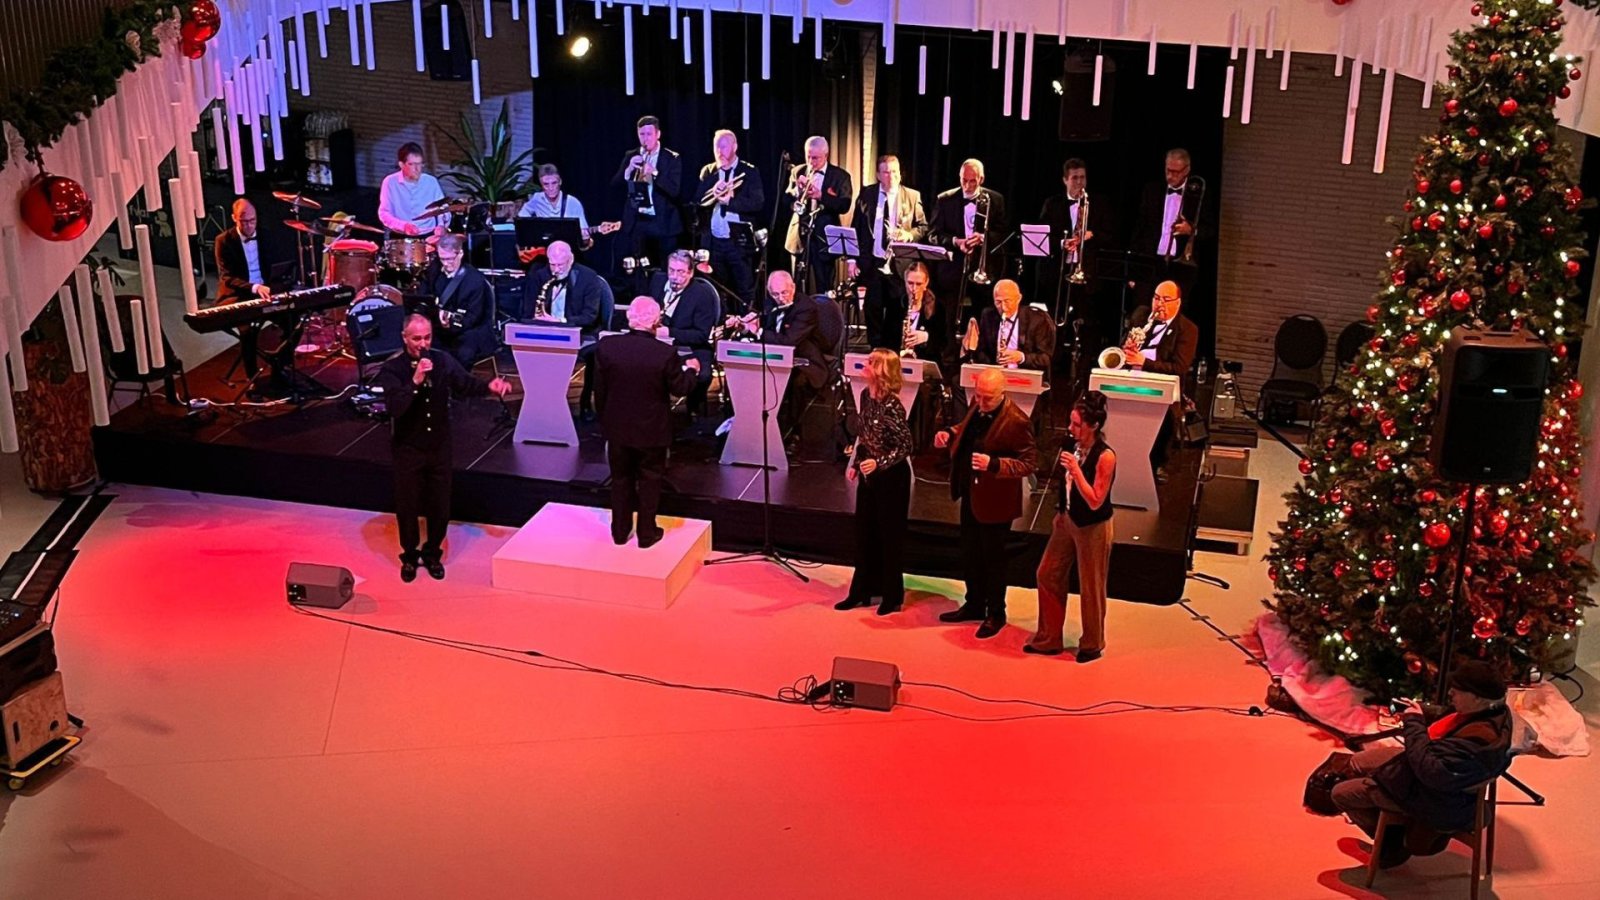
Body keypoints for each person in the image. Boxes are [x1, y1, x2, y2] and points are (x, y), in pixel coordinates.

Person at [1330, 661, 1514, 869]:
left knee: (1340, 793)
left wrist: (1414, 723)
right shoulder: (1492, 711)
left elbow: (1429, 771)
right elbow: (1450, 719)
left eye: (1458, 690)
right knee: (1357, 762)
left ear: (1477, 697)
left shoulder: (1475, 742)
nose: (1450, 693)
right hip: (1438, 776)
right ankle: (1393, 829)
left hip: (1435, 797)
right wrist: (1419, 712)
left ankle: (1392, 846)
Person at [376, 315, 512, 581]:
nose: (423, 343)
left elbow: (465, 383)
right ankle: (410, 555)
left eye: (427, 337)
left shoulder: (442, 360)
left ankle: (432, 553)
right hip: (409, 447)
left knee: (439, 504)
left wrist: (489, 387)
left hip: (438, 445)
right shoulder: (392, 369)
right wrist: (415, 381)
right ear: (405, 338)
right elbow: (395, 408)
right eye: (417, 338)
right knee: (408, 504)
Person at [933, 367, 1037, 639]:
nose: (980, 402)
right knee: (970, 552)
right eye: (978, 395)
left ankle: (996, 613)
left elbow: (1028, 464)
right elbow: (965, 429)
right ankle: (974, 603)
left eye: (987, 398)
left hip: (996, 501)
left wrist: (994, 464)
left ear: (1003, 394)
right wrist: (950, 434)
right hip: (972, 491)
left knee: (993, 559)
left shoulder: (1017, 421)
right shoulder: (977, 404)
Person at [594, 298, 702, 548]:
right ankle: (646, 533)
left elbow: (600, 390)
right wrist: (692, 370)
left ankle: (619, 532)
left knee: (620, 479)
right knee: (650, 480)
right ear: (656, 321)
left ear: (629, 317)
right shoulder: (664, 353)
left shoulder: (607, 347)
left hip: (617, 428)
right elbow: (680, 389)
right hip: (651, 431)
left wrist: (605, 420)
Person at [1028, 390, 1116, 661]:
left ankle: (1092, 644)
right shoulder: (1071, 444)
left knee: (1091, 585)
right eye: (1071, 422)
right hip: (1068, 519)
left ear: (1094, 425)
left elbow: (1095, 501)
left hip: (1093, 525)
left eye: (1077, 424)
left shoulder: (1105, 457)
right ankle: (1049, 638)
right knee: (1047, 573)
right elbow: (1063, 484)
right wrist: (1061, 511)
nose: (1070, 428)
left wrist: (1077, 471)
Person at [836, 349, 916, 616]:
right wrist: (857, 464)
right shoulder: (865, 396)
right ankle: (861, 590)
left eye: (871, 362)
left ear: (882, 370)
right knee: (864, 533)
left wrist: (878, 463)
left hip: (892, 478)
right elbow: (865, 436)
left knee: (889, 536)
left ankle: (891, 596)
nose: (865, 364)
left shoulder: (893, 406)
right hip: (870, 475)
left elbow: (906, 445)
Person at [524, 240, 614, 419]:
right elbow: (527, 311)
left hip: (581, 331)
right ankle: (540, 402)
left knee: (593, 354)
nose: (556, 270)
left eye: (560, 265)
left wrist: (560, 321)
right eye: (552, 264)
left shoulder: (589, 277)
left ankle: (585, 402)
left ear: (571, 260)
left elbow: (590, 316)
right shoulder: (539, 276)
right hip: (547, 332)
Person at [1122, 279, 1197, 482]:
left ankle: (1156, 462)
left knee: (1165, 418)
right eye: (1156, 298)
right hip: (1131, 378)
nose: (1159, 304)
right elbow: (1122, 346)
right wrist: (1127, 349)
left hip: (1162, 387)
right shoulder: (1141, 315)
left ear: (1177, 302)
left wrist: (1144, 362)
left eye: (1166, 299)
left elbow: (1179, 368)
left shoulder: (1187, 329)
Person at [928, 158, 1008, 324]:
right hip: (953, 268)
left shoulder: (995, 199)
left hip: (983, 269)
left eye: (972, 181)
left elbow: (1002, 234)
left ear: (981, 179)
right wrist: (956, 241)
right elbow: (933, 234)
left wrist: (983, 238)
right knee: (950, 318)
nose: (967, 186)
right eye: (964, 180)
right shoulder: (944, 199)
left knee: (983, 317)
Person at [694, 129, 766, 311]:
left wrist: (730, 202)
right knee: (717, 288)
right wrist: (712, 191)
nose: (719, 151)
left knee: (744, 289)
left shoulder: (749, 171)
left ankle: (746, 323)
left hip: (738, 242)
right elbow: (698, 201)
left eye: (723, 146)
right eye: (716, 147)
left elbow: (757, 203)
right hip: (714, 242)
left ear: (734, 147)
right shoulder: (709, 171)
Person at [612, 115, 685, 274]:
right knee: (637, 270)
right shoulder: (631, 155)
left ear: (658, 134)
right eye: (642, 134)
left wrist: (655, 173)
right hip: (638, 222)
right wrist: (628, 170)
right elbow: (615, 186)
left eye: (649, 134)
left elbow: (674, 191)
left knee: (666, 270)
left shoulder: (671, 158)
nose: (645, 139)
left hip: (663, 224)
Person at [1037, 158, 1102, 336]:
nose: (1080, 182)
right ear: (1065, 180)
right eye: (1075, 178)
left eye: (1082, 177)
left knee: (1087, 323)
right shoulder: (1052, 204)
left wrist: (1090, 234)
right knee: (1056, 321)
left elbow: (1109, 235)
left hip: (1086, 273)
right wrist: (1062, 243)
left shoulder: (1097, 204)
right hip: (1059, 271)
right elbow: (1043, 234)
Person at [1130, 148, 1204, 302]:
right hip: (1151, 261)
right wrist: (1133, 269)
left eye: (1176, 172)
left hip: (1181, 266)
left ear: (1187, 170)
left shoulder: (1197, 195)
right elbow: (1139, 229)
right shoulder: (1151, 190)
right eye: (1168, 170)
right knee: (1143, 307)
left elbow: (1209, 230)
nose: (1170, 176)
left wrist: (1191, 230)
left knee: (1174, 310)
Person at [783, 135, 854, 295]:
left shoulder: (840, 176)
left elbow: (844, 205)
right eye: (808, 156)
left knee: (824, 288)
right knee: (797, 287)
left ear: (826, 155)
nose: (811, 162)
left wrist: (821, 195)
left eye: (815, 158)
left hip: (824, 240)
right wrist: (797, 192)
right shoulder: (797, 171)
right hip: (799, 237)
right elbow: (786, 200)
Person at [212, 199, 274, 379]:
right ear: (234, 218)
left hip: (265, 291)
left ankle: (280, 364)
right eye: (244, 221)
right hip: (239, 294)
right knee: (248, 331)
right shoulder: (223, 241)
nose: (249, 225)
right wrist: (254, 287)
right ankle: (252, 377)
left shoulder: (266, 236)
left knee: (294, 321)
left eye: (252, 220)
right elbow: (227, 277)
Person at [650, 249, 719, 409]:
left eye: (680, 272)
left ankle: (694, 411)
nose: (674, 277)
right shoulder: (657, 281)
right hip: (656, 343)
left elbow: (701, 335)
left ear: (690, 273)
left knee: (703, 375)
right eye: (671, 270)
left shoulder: (702, 294)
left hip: (690, 346)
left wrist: (669, 333)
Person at [421, 233, 497, 367]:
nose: (446, 263)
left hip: (470, 331)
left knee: (461, 353)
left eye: (450, 259)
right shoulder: (434, 271)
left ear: (460, 254)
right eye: (442, 259)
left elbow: (473, 318)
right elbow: (423, 298)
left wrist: (449, 320)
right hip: (440, 327)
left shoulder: (474, 280)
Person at [961, 278, 1055, 376]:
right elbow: (981, 350)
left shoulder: (1037, 320)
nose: (1003, 307)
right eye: (998, 302)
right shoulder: (988, 315)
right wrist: (992, 364)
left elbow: (1045, 359)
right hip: (996, 375)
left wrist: (1021, 357)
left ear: (1019, 299)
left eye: (1007, 301)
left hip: (1024, 375)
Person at [377, 141, 447, 235]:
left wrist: (441, 225)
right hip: (401, 235)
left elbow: (443, 208)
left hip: (428, 235)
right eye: (412, 164)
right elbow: (384, 214)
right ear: (401, 165)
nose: (417, 169)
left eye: (420, 164)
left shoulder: (431, 182)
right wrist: (404, 226)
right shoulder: (390, 182)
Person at [518, 164, 594, 248]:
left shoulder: (573, 203)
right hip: (542, 250)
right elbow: (521, 218)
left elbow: (584, 236)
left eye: (554, 183)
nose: (551, 188)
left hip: (567, 250)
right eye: (546, 184)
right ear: (541, 185)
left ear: (560, 182)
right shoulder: (537, 199)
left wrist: (585, 239)